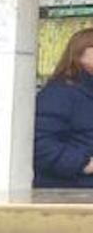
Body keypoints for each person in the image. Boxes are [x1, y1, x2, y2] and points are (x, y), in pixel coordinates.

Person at [34, 27, 93, 189]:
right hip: (69, 194)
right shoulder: (58, 93)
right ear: (79, 54)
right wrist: (84, 164)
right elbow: (39, 144)